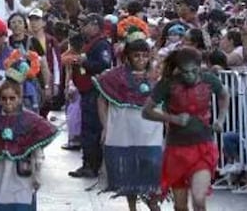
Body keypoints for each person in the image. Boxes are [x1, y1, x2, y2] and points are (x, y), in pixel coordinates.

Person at [141, 47, 228, 211]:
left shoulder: (209, 79)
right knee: (180, 206)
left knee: (199, 198)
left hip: (203, 147)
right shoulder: (168, 83)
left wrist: (221, 119)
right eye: (185, 72)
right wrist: (172, 118)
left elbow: (224, 94)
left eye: (194, 71)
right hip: (177, 150)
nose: (190, 76)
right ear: (178, 70)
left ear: (199, 66)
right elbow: (146, 111)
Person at [94, 33, 162, 211]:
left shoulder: (156, 76)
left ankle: (153, 203)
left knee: (152, 170)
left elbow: (166, 102)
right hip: (123, 132)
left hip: (150, 133)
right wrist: (105, 126)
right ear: (128, 57)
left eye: (145, 55)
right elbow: (101, 100)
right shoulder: (115, 76)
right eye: (136, 55)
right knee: (128, 172)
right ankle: (132, 208)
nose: (141, 59)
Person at [0, 80, 57, 210]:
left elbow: (37, 148)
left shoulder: (31, 120)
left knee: (22, 203)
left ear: (19, 98)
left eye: (12, 98)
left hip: (21, 173)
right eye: (4, 98)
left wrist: (37, 173)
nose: (8, 102)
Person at [69, 13, 113, 178]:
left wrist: (84, 63)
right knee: (87, 128)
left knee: (92, 129)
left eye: (86, 24)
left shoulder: (101, 45)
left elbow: (104, 65)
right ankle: (88, 162)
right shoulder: (90, 44)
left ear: (95, 25)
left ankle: (92, 165)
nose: (83, 27)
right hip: (86, 91)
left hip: (95, 92)